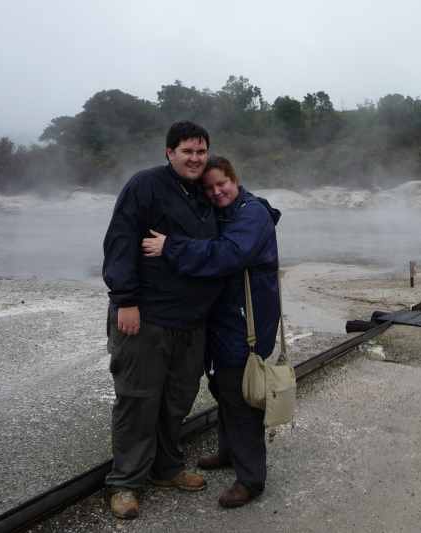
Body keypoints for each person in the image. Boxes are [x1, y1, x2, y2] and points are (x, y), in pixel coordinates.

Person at [141, 155, 281, 508]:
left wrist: (170, 247)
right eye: (209, 188)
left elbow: (228, 254)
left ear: (236, 180)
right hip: (225, 318)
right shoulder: (225, 211)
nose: (217, 192)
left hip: (247, 321)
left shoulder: (251, 214)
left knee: (243, 396)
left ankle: (251, 480)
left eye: (223, 184)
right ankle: (229, 452)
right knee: (223, 387)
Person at [102, 121, 223, 519]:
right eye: (187, 151)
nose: (195, 158)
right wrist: (125, 300)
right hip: (147, 315)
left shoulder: (205, 192)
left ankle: (167, 468)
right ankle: (125, 482)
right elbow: (120, 241)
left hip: (191, 321)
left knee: (176, 400)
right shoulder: (145, 186)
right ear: (168, 152)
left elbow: (235, 210)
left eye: (200, 151)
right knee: (138, 399)